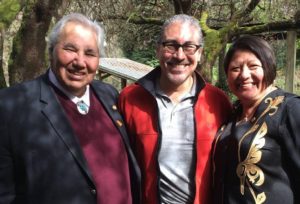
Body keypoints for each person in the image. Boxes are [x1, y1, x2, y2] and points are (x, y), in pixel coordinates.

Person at [0, 13, 141, 204]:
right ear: (51, 50)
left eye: (90, 53)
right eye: (70, 49)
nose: (80, 62)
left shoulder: (109, 96)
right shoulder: (11, 105)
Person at [119, 14, 232, 204]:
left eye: (189, 46)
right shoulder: (130, 99)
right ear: (158, 50)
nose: (180, 56)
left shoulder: (218, 102)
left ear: (199, 53)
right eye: (171, 45)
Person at [212, 35, 300, 204]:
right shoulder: (232, 114)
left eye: (253, 66)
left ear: (268, 68)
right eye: (235, 68)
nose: (244, 75)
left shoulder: (290, 109)